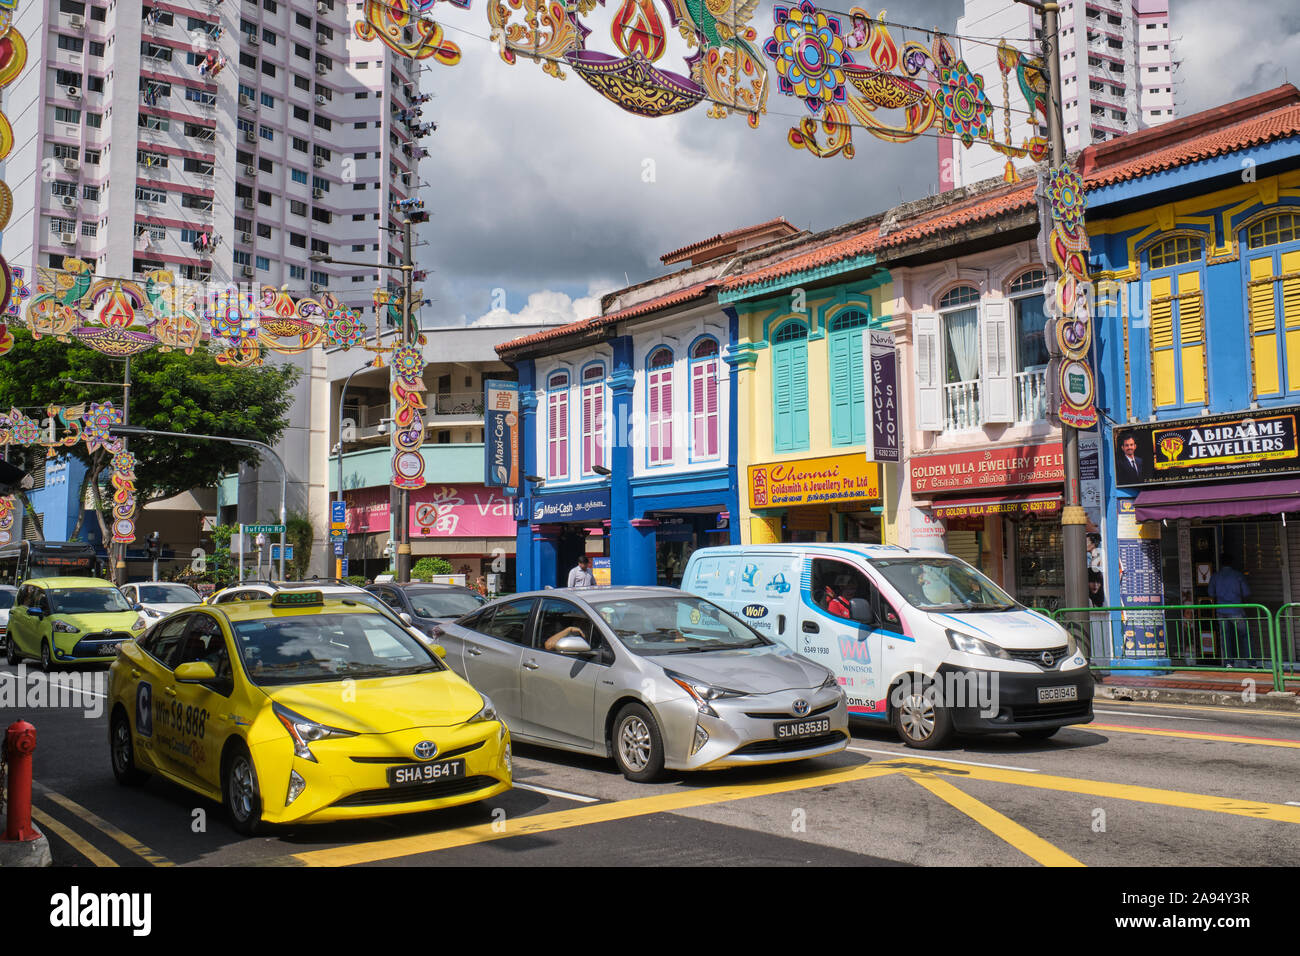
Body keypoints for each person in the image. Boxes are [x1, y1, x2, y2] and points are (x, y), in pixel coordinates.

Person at [1208, 554, 1252, 667]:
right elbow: (1247, 592)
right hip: (1236, 610)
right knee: (1245, 635)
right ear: (1232, 563)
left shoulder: (1215, 576)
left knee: (1225, 636)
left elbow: (1211, 593)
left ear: (1221, 563)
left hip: (1221, 611)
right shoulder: (1238, 575)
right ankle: (1252, 662)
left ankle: (1228, 663)